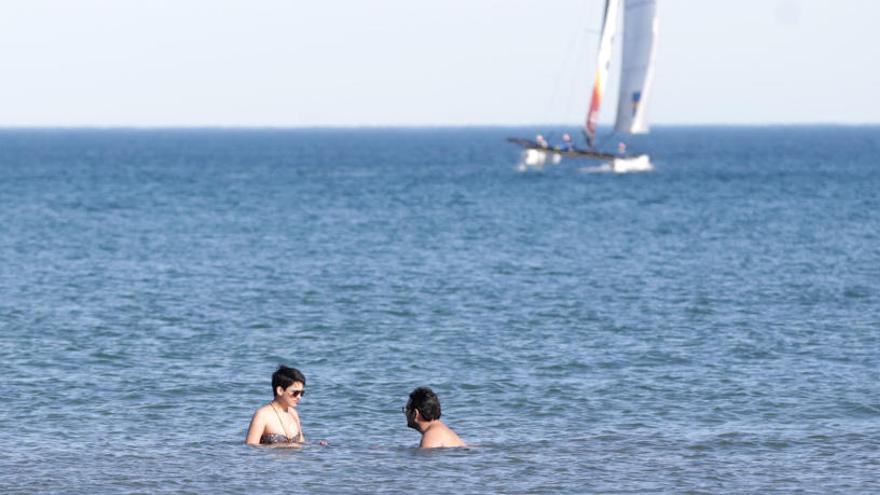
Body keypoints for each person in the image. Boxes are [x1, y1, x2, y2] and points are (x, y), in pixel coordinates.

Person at [246, 365, 308, 446]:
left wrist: (317, 446)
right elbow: (250, 449)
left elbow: (301, 443)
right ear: (280, 390)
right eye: (295, 393)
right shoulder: (262, 415)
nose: (299, 397)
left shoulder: (293, 413)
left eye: (301, 393)